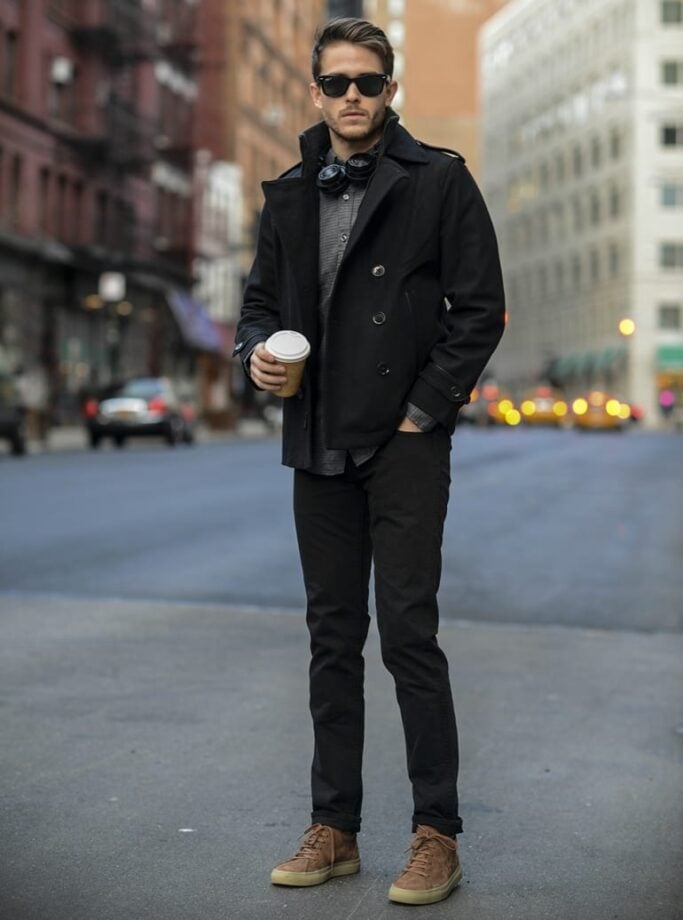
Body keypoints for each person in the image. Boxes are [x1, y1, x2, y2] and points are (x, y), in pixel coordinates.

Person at [234, 17, 505, 906]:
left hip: (402, 443)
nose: (353, 96)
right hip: (317, 437)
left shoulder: (438, 181)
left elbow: (479, 309)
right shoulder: (286, 193)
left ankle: (437, 834)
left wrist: (427, 410)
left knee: (409, 636)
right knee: (330, 641)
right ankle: (335, 828)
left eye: (369, 81)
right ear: (315, 92)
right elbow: (259, 306)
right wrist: (255, 360)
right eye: (337, 82)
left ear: (391, 90)